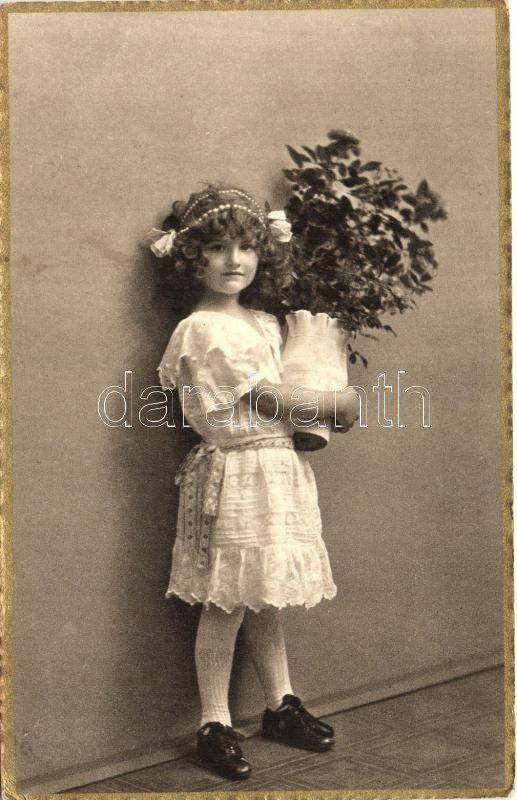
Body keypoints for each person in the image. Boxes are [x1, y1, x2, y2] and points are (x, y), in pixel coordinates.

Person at [151, 185, 359, 781]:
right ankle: (213, 722)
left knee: (263, 594)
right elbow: (268, 398)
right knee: (227, 600)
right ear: (192, 258)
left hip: (278, 470)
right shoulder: (202, 329)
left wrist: (326, 393)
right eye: (217, 248)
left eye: (245, 247)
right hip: (237, 471)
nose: (234, 260)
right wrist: (338, 403)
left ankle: (280, 704)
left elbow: (288, 390)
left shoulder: (265, 323)